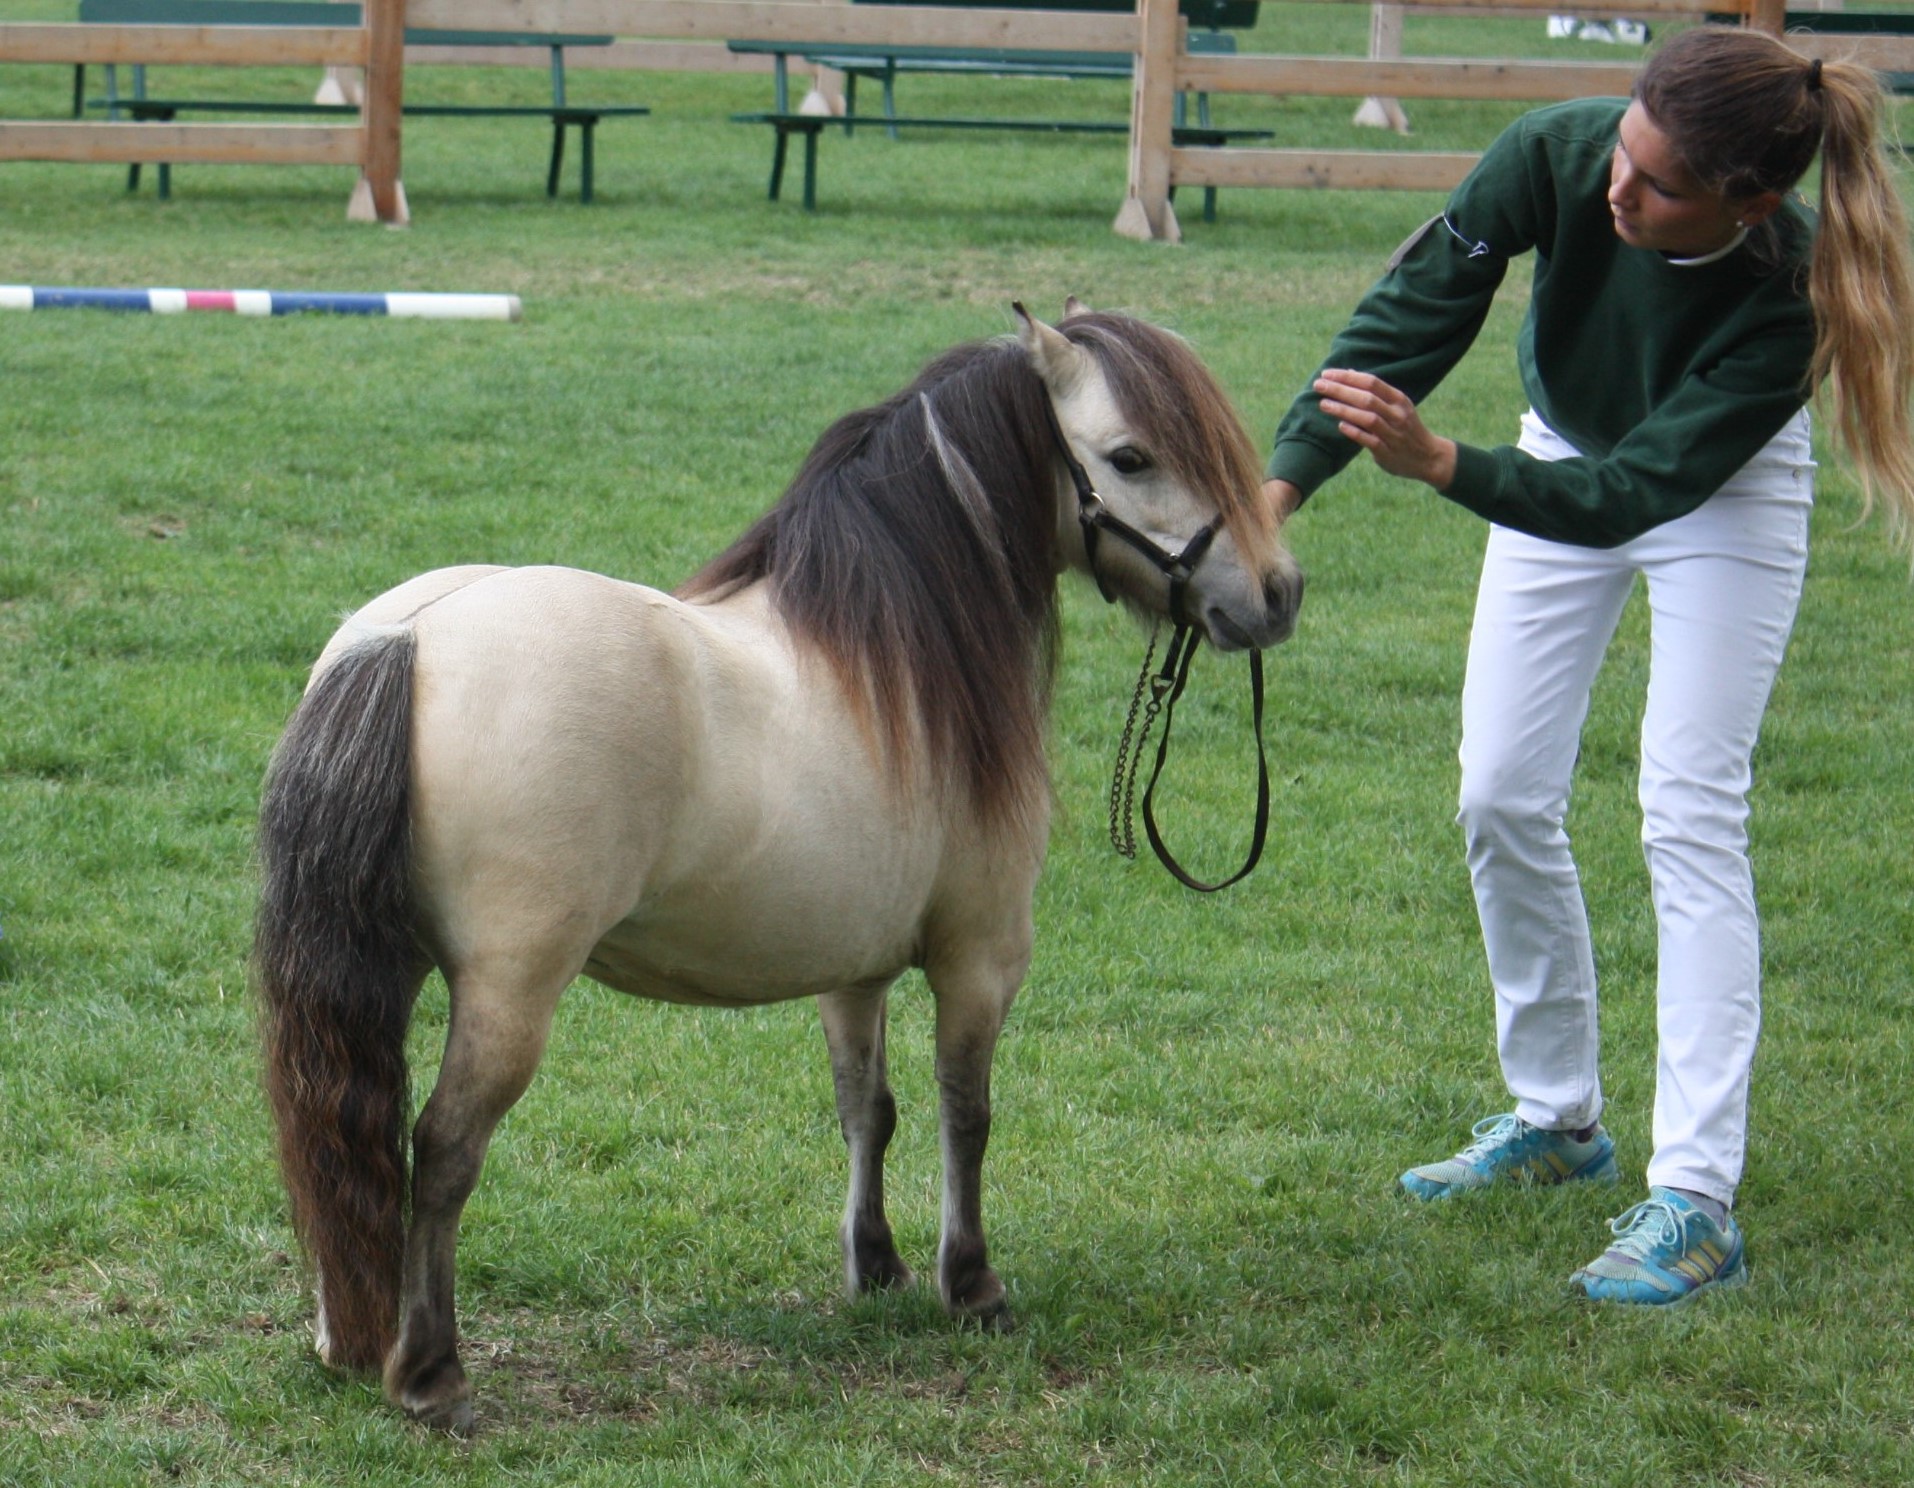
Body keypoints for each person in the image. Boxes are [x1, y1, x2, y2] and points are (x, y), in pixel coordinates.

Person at [1263, 27, 1914, 1305]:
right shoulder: (1559, 153)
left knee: (1687, 813)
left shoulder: (1790, 287)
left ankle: (1696, 1201)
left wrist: (1449, 467)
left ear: (1749, 200)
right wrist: (1273, 493)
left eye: (1661, 187)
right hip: (1559, 449)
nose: (1619, 190)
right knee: (1499, 793)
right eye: (1625, 150)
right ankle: (1558, 1119)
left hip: (1715, 498)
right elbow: (1415, 310)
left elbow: (1636, 495)